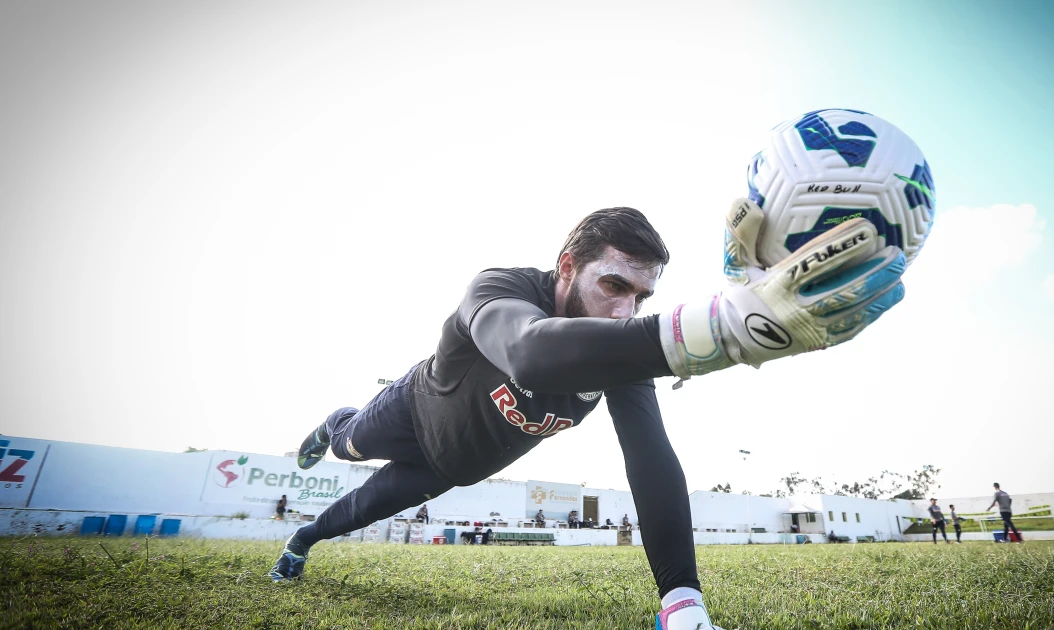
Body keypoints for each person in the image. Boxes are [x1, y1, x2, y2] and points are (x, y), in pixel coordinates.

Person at [267, 205, 905, 630]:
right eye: (614, 285)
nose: (626, 310)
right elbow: (530, 354)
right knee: (350, 447)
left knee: (351, 514)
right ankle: (337, 423)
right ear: (567, 266)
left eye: (641, 296)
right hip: (410, 412)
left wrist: (682, 601)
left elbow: (652, 462)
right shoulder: (500, 288)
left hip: (447, 468)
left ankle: (298, 543)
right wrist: (716, 331)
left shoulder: (618, 350)